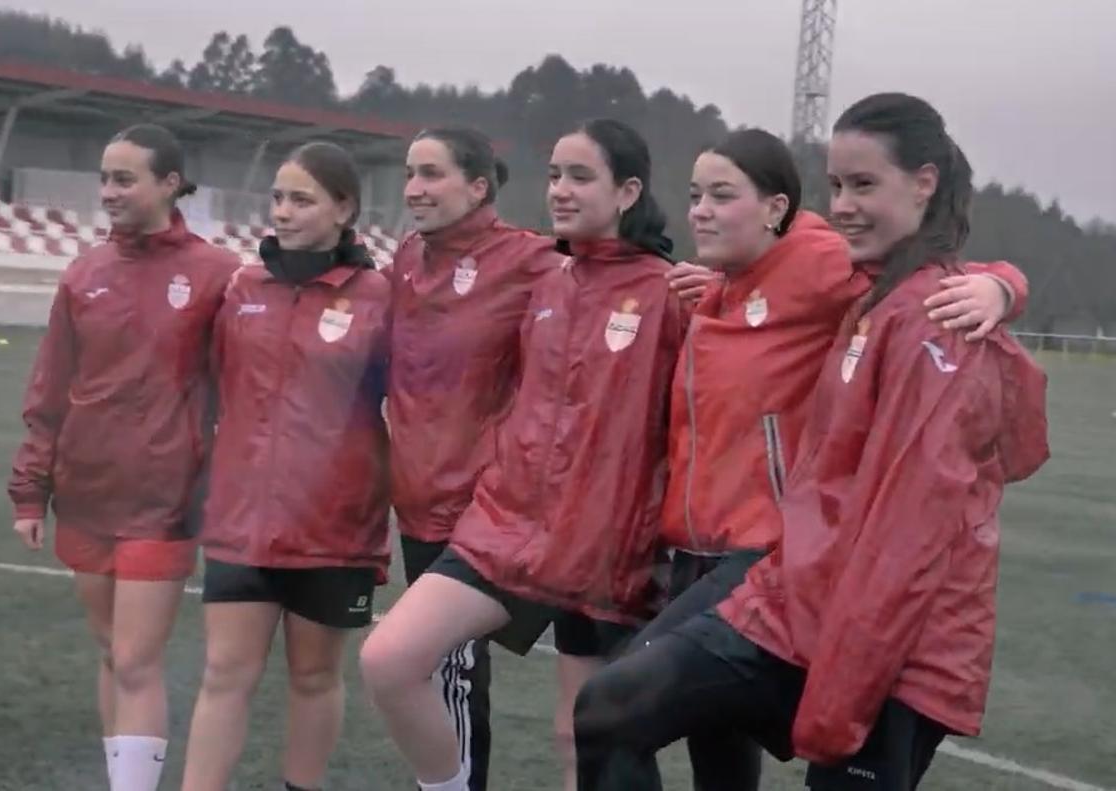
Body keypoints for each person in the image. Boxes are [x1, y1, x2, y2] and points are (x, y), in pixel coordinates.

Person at [573, 94, 1050, 791]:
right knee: (612, 709)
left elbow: (909, 540)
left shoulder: (939, 319)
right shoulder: (873, 291)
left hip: (890, 648)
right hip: (809, 597)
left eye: (863, 185)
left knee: (620, 710)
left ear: (924, 183)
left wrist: (1002, 287)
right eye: (835, 185)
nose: (843, 205)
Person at [361, 118, 685, 791]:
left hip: (605, 543)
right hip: (507, 526)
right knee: (390, 658)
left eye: (581, 176)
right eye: (557, 175)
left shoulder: (669, 292)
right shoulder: (553, 278)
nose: (561, 190)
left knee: (581, 735)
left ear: (628, 191)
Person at [8, 124, 239, 791]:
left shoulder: (218, 274)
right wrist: (31, 490)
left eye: (125, 179)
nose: (109, 192)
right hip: (86, 493)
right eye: (105, 179)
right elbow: (49, 389)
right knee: (113, 653)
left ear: (170, 184)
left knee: (137, 658)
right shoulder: (84, 273)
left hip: (165, 499)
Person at [179, 143, 390, 791]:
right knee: (223, 673)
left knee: (314, 676)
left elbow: (410, 403)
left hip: (334, 527)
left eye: (302, 199)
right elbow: (207, 385)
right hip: (243, 517)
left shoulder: (380, 296)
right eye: (278, 198)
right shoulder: (243, 288)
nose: (284, 212)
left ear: (343, 208)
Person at [386, 127, 564, 790]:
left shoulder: (530, 261)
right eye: (410, 173)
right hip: (415, 496)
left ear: (478, 185)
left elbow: (613, 281)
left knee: (451, 671)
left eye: (431, 174)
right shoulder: (406, 258)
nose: (413, 189)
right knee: (436, 672)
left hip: (482, 507)